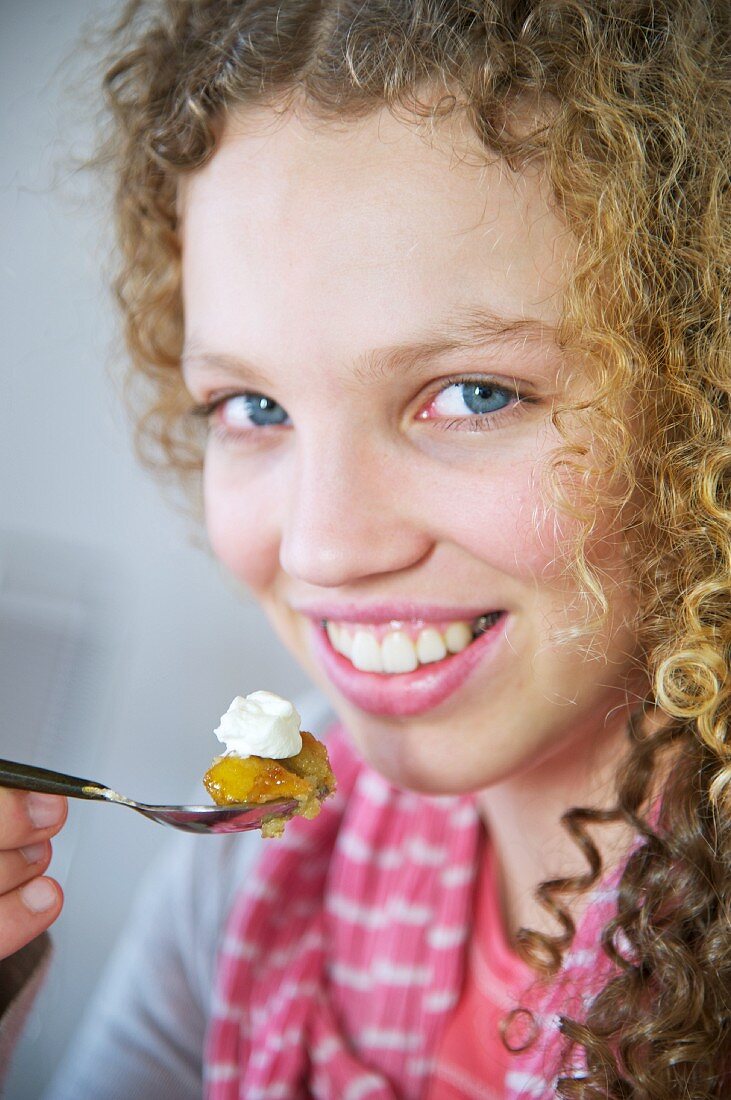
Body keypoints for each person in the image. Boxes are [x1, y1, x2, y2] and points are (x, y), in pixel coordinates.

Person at [6, 1, 728, 1097]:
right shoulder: (255, 885)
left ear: (701, 405)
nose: (324, 546)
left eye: (472, 393)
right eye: (250, 405)